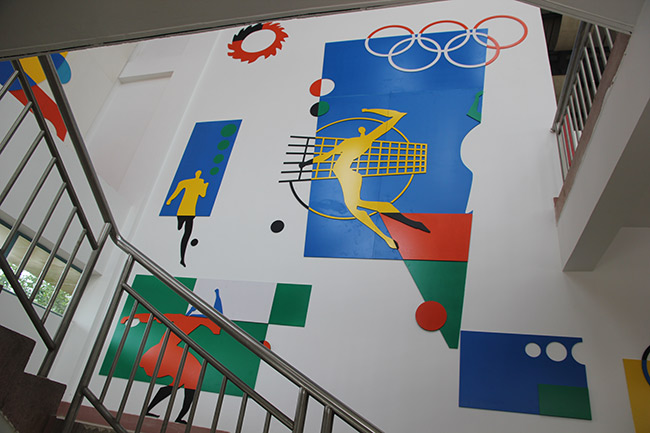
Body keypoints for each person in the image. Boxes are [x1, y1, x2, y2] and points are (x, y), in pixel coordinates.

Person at [300, 109, 428, 249]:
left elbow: (326, 156)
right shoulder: (357, 141)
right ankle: (403, 225)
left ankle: (389, 236)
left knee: (354, 207)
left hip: (346, 173)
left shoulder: (358, 142)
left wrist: (306, 163)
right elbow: (325, 156)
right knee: (357, 205)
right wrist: (306, 163)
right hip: (346, 173)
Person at [165, 171, 209, 266]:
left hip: (191, 212)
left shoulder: (199, 183)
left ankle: (182, 258)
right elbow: (177, 191)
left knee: (186, 235)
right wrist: (170, 200)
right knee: (180, 230)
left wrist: (205, 186)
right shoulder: (187, 182)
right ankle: (179, 225)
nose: (198, 174)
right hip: (183, 210)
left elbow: (203, 194)